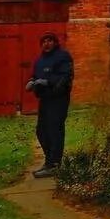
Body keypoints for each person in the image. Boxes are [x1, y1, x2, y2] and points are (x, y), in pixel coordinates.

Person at [26, 32, 74, 178]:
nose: (46, 44)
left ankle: (55, 164)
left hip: (58, 99)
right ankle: (50, 161)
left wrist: (49, 82)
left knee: (55, 130)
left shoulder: (63, 56)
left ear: (55, 42)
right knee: (41, 131)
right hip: (45, 99)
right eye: (44, 41)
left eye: (50, 40)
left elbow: (66, 76)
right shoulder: (40, 60)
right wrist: (31, 82)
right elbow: (35, 75)